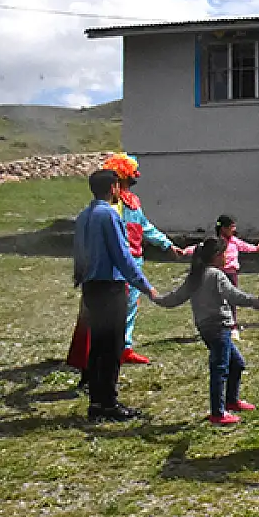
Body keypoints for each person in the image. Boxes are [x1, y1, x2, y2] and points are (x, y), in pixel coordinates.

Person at [152, 238, 259, 425]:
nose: (226, 257)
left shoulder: (196, 276)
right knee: (220, 369)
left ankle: (231, 400)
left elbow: (175, 298)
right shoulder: (215, 275)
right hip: (219, 327)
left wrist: (158, 299)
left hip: (206, 328)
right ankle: (218, 413)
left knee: (236, 364)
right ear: (215, 256)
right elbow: (233, 295)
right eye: (224, 254)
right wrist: (255, 301)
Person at [73, 169, 156, 421]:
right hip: (110, 287)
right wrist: (145, 285)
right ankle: (108, 403)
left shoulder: (83, 215)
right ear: (113, 188)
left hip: (91, 286)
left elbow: (78, 251)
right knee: (112, 347)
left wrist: (79, 276)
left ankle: (96, 402)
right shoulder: (109, 214)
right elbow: (122, 256)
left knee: (97, 345)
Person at [99, 153, 181, 365]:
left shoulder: (133, 202)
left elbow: (145, 227)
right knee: (117, 305)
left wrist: (167, 244)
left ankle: (125, 347)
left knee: (131, 304)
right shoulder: (112, 206)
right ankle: (111, 348)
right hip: (119, 261)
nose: (135, 179)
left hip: (136, 258)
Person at [210, 214, 259, 340]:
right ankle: (219, 325)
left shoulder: (234, 241)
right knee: (218, 300)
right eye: (231, 227)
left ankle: (233, 326)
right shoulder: (216, 242)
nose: (234, 229)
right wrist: (185, 251)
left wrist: (257, 248)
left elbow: (246, 247)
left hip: (231, 274)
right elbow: (200, 249)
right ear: (223, 228)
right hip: (219, 274)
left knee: (232, 299)